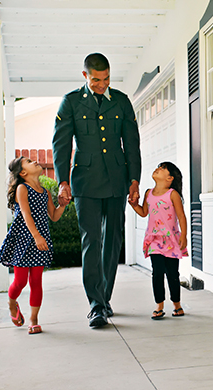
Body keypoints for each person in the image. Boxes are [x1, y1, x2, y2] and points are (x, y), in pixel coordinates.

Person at [52, 53, 142, 328]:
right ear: (85, 76)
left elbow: (132, 144)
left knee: (112, 242)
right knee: (91, 242)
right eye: (96, 80)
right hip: (86, 182)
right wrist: (62, 181)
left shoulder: (122, 101)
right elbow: (61, 144)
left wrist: (134, 180)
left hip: (117, 180)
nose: (102, 85)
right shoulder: (71, 102)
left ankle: (104, 298)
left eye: (106, 79)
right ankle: (95, 305)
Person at [0, 156, 67, 334]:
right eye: (28, 161)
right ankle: (12, 302)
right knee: (20, 281)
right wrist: (36, 236)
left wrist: (63, 205)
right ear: (23, 172)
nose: (34, 161)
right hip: (24, 239)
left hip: (40, 240)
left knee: (36, 281)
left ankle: (33, 319)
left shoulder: (45, 192)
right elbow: (26, 215)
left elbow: (54, 216)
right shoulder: (22, 188)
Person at [130, 162, 188, 320]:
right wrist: (134, 205)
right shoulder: (148, 193)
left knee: (172, 274)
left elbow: (181, 216)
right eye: (158, 167)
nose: (157, 169)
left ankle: (177, 305)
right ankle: (159, 305)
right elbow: (143, 213)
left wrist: (183, 236)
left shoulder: (172, 194)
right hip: (154, 240)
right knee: (157, 273)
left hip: (171, 240)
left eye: (162, 168)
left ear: (169, 178)